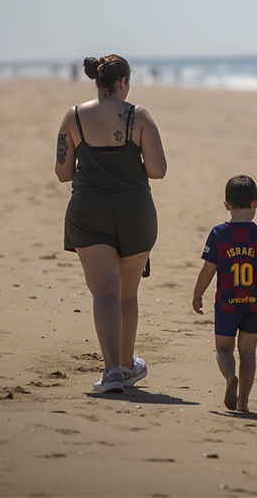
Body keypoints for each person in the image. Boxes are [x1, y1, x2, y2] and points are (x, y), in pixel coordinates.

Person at [55, 55, 168, 393]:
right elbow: (158, 170)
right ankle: (127, 365)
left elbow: (62, 173)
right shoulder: (139, 116)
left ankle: (112, 373)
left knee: (104, 292)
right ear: (122, 82)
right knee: (127, 294)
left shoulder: (74, 116)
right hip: (135, 211)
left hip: (89, 209)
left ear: (97, 82)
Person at [191, 175, 257, 412]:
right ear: (256, 203)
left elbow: (208, 270)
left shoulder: (218, 234)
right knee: (248, 353)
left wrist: (197, 294)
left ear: (226, 204)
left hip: (227, 302)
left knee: (224, 348)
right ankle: (243, 402)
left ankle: (230, 376)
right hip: (254, 303)